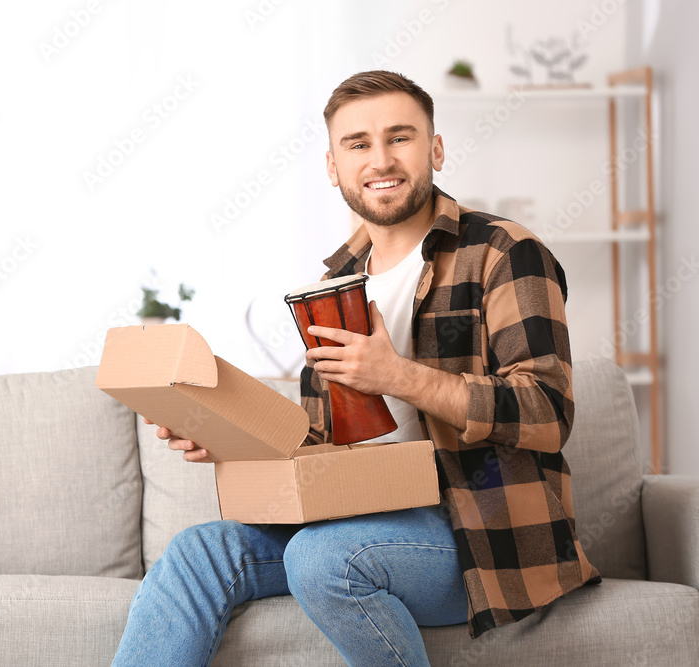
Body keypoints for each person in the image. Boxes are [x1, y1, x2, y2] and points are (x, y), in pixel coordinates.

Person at [111, 70, 600, 667]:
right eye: (358, 144)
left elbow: (547, 413)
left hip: (473, 534)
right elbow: (323, 449)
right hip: (355, 517)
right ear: (333, 166)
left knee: (323, 557)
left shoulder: (504, 252)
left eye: (401, 137)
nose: (381, 159)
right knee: (197, 552)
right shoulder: (331, 287)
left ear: (436, 149)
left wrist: (397, 375)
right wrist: (225, 437)